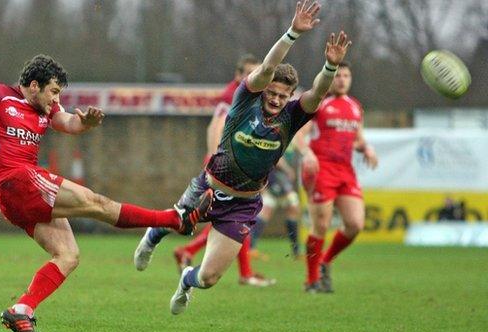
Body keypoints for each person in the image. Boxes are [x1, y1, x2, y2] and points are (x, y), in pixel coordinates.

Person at [0, 55, 212, 332]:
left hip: (20, 195)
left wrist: (87, 125)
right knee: (97, 204)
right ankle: (176, 220)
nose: (56, 98)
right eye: (53, 91)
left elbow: (68, 123)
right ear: (34, 85)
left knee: (68, 255)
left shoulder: (46, 109)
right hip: (15, 180)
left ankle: (21, 309)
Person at [135, 0, 352, 314]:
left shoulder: (292, 117)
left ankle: (186, 281)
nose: (276, 99)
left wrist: (330, 67)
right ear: (263, 89)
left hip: (244, 203)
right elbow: (266, 68)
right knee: (177, 223)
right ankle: (152, 236)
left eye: (283, 95)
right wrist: (292, 32)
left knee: (208, 278)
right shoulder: (245, 99)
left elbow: (318, 93)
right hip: (209, 187)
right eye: (272, 93)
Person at [172, 55, 277, 287]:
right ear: (238, 75)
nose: (254, 76)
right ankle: (172, 242)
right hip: (225, 168)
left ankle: (190, 250)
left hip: (236, 166)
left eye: (257, 72)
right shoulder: (234, 94)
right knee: (239, 214)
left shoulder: (252, 95)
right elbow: (216, 125)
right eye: (249, 72)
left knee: (235, 217)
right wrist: (215, 159)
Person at [294, 62, 378, 293]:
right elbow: (299, 136)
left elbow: (358, 140)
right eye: (338, 75)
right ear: (330, 79)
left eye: (346, 75)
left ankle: (325, 261)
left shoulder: (355, 107)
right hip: (322, 170)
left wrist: (367, 149)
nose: (342, 79)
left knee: (355, 224)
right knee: (320, 226)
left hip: (345, 171)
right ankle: (311, 280)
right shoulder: (319, 104)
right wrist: (307, 153)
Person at [249, 151, 301, 260]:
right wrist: (287, 169)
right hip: (271, 178)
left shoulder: (294, 140)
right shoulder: (277, 137)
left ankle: (296, 251)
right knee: (267, 208)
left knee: (293, 208)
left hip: (283, 180)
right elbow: (275, 156)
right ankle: (251, 248)